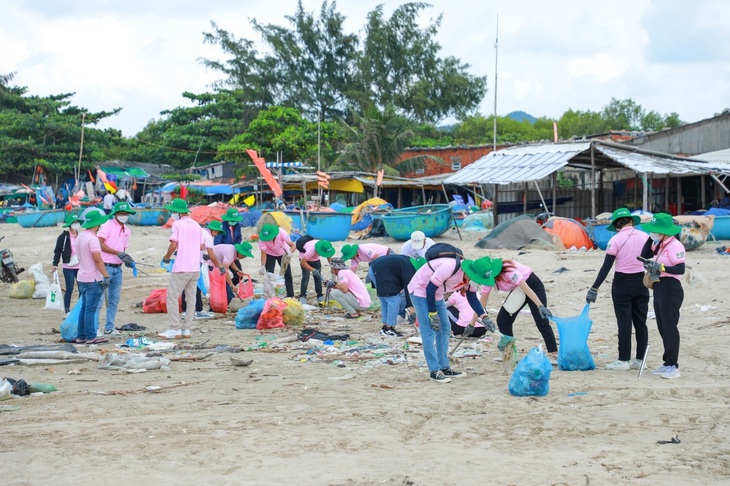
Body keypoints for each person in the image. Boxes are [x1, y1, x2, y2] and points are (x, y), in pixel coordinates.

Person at [407, 253, 491, 383]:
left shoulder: (470, 278)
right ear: (471, 272)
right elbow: (429, 289)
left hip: (437, 294)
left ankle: (444, 367)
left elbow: (473, 299)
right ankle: (434, 371)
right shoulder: (448, 267)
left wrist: (484, 317)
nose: (477, 282)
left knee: (445, 328)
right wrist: (432, 314)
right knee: (428, 330)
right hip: (420, 290)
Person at [586, 208, 650, 371]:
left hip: (622, 283)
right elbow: (650, 260)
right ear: (631, 221)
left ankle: (623, 360)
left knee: (624, 323)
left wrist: (594, 288)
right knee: (641, 323)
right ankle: (640, 360)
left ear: (616, 225)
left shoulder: (615, 240)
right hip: (641, 282)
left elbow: (606, 267)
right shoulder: (645, 237)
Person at [464, 256, 557, 363]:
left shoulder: (510, 272)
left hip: (532, 286)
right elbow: (482, 303)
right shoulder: (487, 278)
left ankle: (554, 353)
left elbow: (527, 289)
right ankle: (509, 353)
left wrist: (540, 306)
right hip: (518, 290)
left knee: (541, 320)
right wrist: (471, 324)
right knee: (503, 319)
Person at [639, 213, 686, 379]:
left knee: (670, 327)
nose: (652, 233)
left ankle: (673, 365)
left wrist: (661, 267)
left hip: (671, 288)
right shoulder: (660, 244)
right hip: (659, 286)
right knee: (661, 326)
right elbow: (645, 253)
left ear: (664, 231)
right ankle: (667, 362)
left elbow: (680, 269)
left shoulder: (675, 246)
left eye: (655, 231)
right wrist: (651, 237)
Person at [159, 199, 205, 339]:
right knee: (191, 300)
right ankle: (186, 329)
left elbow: (173, 244)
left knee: (172, 298)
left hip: (181, 267)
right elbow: (202, 246)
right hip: (195, 267)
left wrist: (166, 257)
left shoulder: (178, 224)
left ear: (177, 212)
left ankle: (174, 328)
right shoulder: (197, 225)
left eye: (172, 211)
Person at [96, 201, 136, 336]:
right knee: (99, 300)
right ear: (116, 214)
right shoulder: (107, 226)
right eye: (121, 213)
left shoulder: (127, 231)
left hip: (117, 269)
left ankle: (109, 327)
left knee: (114, 300)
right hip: (104, 267)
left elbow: (122, 250)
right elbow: (100, 244)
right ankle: (95, 327)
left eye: (126, 214)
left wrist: (127, 260)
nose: (124, 216)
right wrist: (117, 253)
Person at [74, 210, 111, 345]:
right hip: (93, 278)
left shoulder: (80, 237)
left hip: (82, 276)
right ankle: (90, 336)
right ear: (98, 224)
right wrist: (106, 275)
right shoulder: (93, 238)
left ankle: (81, 335)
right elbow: (97, 259)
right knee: (91, 309)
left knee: (84, 307)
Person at [182, 220, 225, 319]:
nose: (217, 234)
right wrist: (220, 266)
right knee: (195, 285)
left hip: (185, 259)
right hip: (194, 262)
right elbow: (212, 255)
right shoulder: (208, 236)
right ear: (213, 230)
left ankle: (187, 310)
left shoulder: (200, 231)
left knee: (187, 284)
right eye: (217, 232)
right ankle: (196, 310)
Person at [370, 254, 418, 337]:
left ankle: (385, 326)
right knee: (394, 301)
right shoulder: (411, 268)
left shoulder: (408, 261)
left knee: (385, 300)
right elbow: (409, 288)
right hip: (380, 272)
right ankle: (389, 328)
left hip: (374, 269)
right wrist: (411, 308)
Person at [52, 214, 83, 314]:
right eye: (73, 223)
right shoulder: (63, 237)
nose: (76, 225)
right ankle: (67, 310)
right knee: (69, 288)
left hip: (80, 266)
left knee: (82, 288)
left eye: (77, 223)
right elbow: (58, 251)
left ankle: (80, 310)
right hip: (68, 266)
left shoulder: (82, 236)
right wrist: (55, 263)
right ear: (69, 225)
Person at [258, 223, 296, 298]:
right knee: (268, 274)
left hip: (283, 253)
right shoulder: (262, 238)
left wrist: (289, 253)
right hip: (269, 254)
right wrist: (263, 266)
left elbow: (293, 245)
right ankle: (269, 295)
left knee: (287, 273)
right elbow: (263, 253)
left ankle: (290, 295)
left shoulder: (281, 232)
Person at [297, 238, 335, 306]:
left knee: (318, 277)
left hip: (315, 259)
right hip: (304, 259)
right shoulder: (311, 250)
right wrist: (312, 269)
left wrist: (332, 267)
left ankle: (319, 295)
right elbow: (302, 262)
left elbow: (329, 256)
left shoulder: (326, 246)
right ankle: (302, 296)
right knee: (306, 277)